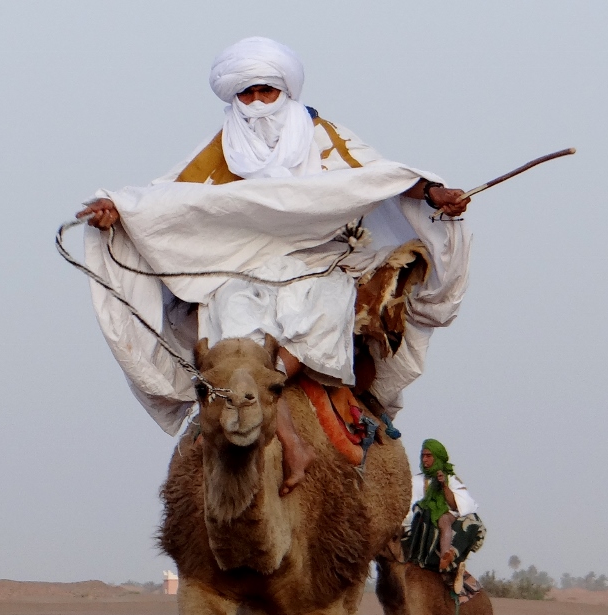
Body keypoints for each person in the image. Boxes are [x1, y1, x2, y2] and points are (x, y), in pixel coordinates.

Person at [77, 37, 472, 494]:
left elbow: (379, 175)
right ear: (234, 97)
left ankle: (273, 387)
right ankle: (280, 426)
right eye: (247, 93)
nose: (258, 103)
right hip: (242, 266)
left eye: (266, 91)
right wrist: (119, 211)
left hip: (320, 259)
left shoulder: (323, 137)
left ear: (285, 91)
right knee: (230, 314)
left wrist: (430, 192)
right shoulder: (222, 149)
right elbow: (168, 198)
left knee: (324, 306)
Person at [406, 439, 479, 571]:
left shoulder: (450, 479)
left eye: (428, 456)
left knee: (444, 521)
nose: (424, 460)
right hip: (418, 519)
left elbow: (456, 506)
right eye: (422, 456)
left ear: (437, 457)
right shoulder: (415, 480)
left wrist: (443, 485)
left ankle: (445, 559)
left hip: (445, 515)